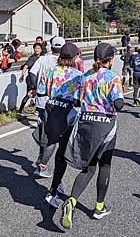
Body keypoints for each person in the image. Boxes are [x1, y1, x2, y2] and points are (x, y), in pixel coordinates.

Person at [61, 43, 124, 229]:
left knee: (88, 167)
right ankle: (99, 207)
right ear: (110, 60)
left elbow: (75, 100)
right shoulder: (113, 78)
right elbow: (119, 104)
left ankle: (71, 201)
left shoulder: (86, 76)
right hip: (105, 126)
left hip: (86, 122)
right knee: (105, 165)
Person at [37, 43, 84, 208]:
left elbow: (41, 90)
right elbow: (79, 99)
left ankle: (44, 165)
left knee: (51, 140)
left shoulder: (50, 71)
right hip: (68, 111)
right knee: (63, 150)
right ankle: (55, 187)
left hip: (51, 108)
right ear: (74, 58)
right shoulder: (78, 75)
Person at [29, 36, 65, 178]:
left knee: (44, 129)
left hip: (41, 101)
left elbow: (32, 73)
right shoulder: (63, 62)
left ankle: (41, 156)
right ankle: (43, 162)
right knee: (52, 134)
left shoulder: (43, 59)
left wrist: (33, 88)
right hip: (56, 103)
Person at [17, 43, 43, 116]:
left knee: (38, 95)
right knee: (29, 95)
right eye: (35, 48)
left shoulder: (42, 58)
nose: (36, 50)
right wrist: (22, 75)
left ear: (41, 50)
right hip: (31, 79)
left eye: (38, 48)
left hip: (38, 79)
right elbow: (26, 66)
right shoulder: (32, 58)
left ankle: (37, 110)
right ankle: (20, 110)